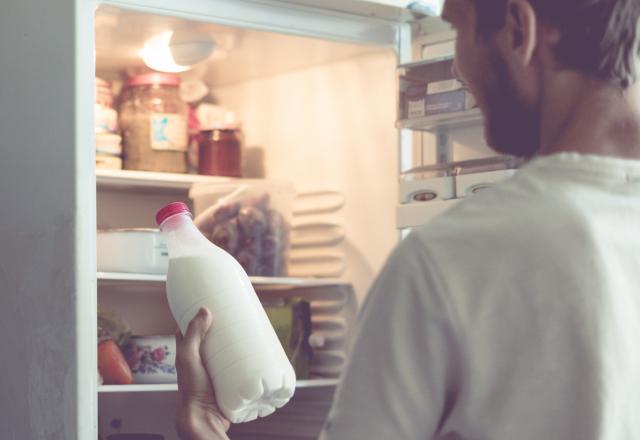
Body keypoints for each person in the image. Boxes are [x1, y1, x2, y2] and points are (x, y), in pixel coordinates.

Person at [174, 0, 640, 438]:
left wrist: (204, 428)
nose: (458, 69)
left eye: (457, 27)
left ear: (519, 29)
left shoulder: (454, 256)